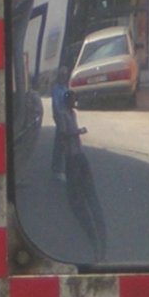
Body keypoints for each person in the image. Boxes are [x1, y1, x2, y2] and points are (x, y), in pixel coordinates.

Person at [60, 89, 107, 261]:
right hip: (71, 154)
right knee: (74, 189)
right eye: (73, 99)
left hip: (78, 153)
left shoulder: (72, 113)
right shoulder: (64, 114)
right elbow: (64, 134)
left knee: (86, 183)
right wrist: (78, 132)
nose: (75, 102)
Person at [50, 66, 70, 182]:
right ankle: (57, 168)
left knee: (65, 142)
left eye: (65, 74)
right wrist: (60, 118)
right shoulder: (57, 88)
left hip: (67, 116)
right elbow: (57, 106)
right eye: (62, 74)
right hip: (61, 117)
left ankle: (62, 166)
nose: (64, 76)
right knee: (60, 142)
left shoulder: (64, 87)